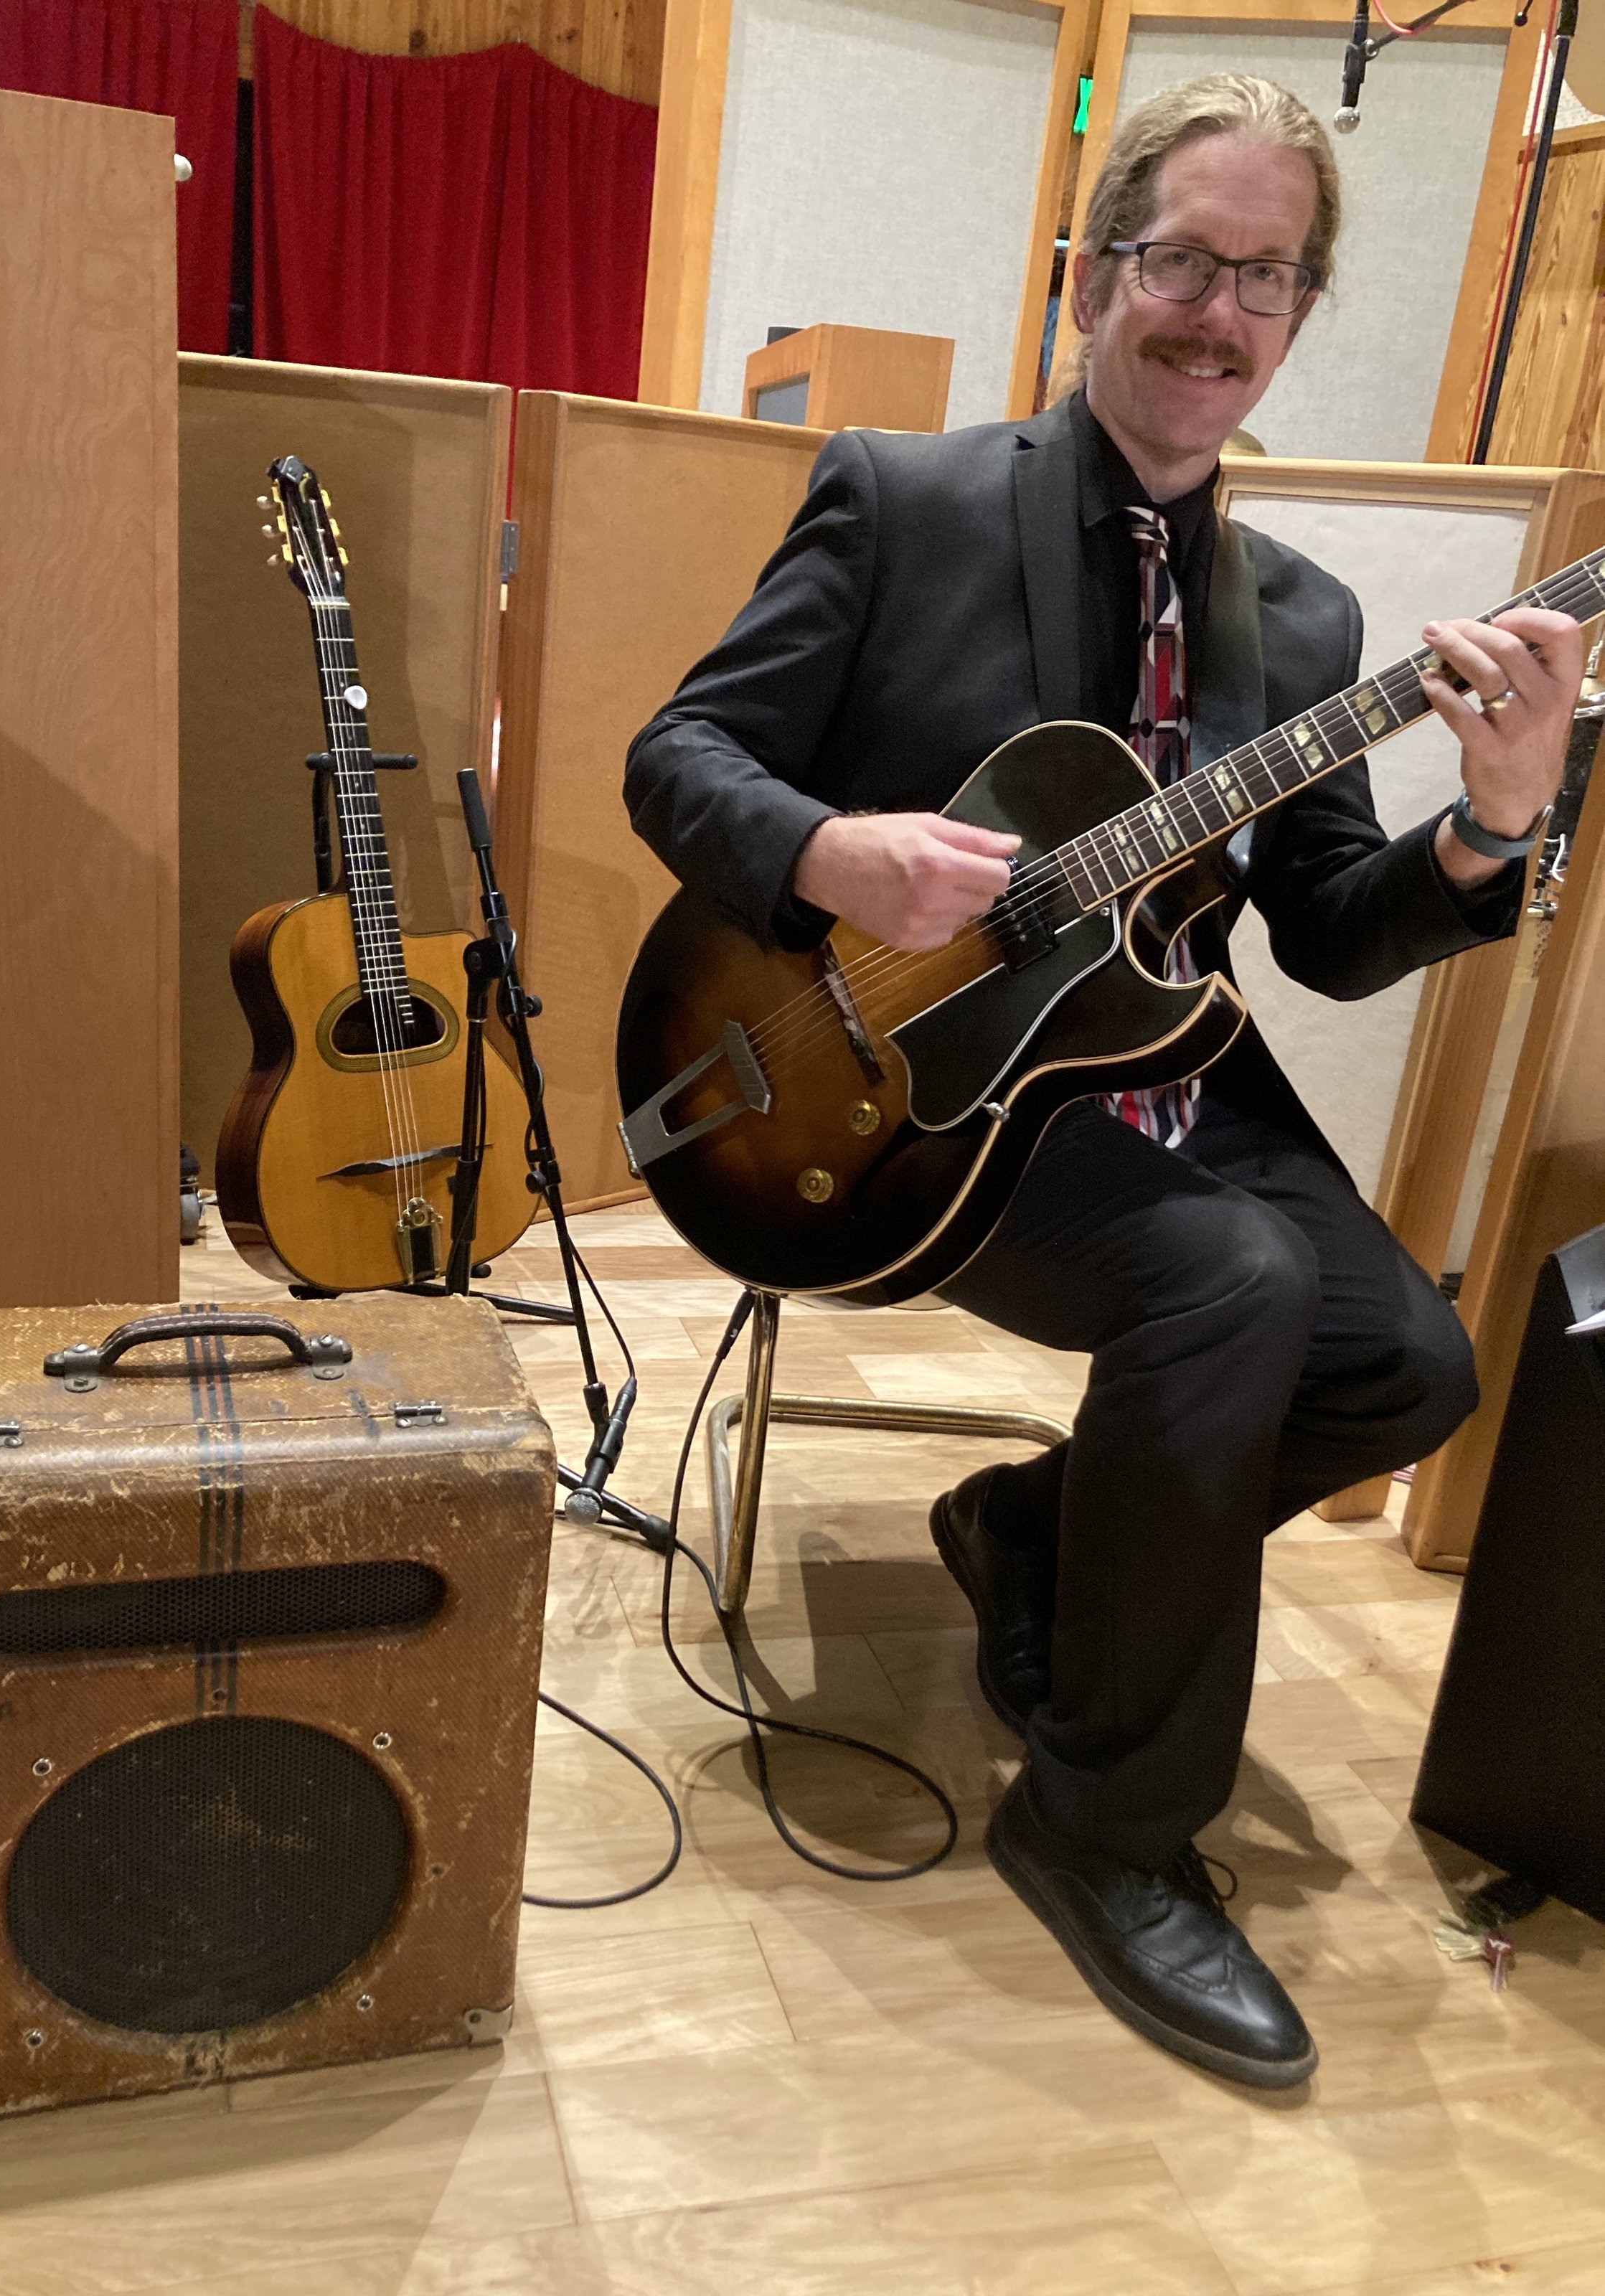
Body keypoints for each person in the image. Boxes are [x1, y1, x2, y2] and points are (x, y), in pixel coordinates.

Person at [621, 73, 1583, 2086]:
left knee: (1412, 1367)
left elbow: (1330, 933)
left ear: (1297, 315)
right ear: (1091, 276)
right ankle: (1106, 1826)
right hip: (902, 1102)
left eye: (1266, 277)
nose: (1218, 313)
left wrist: (1492, 825)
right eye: (1183, 261)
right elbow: (680, 758)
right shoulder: (902, 501)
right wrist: (832, 853)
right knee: (1228, 1282)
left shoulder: (1300, 618)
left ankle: (1040, 1538)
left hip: (1153, 1081)